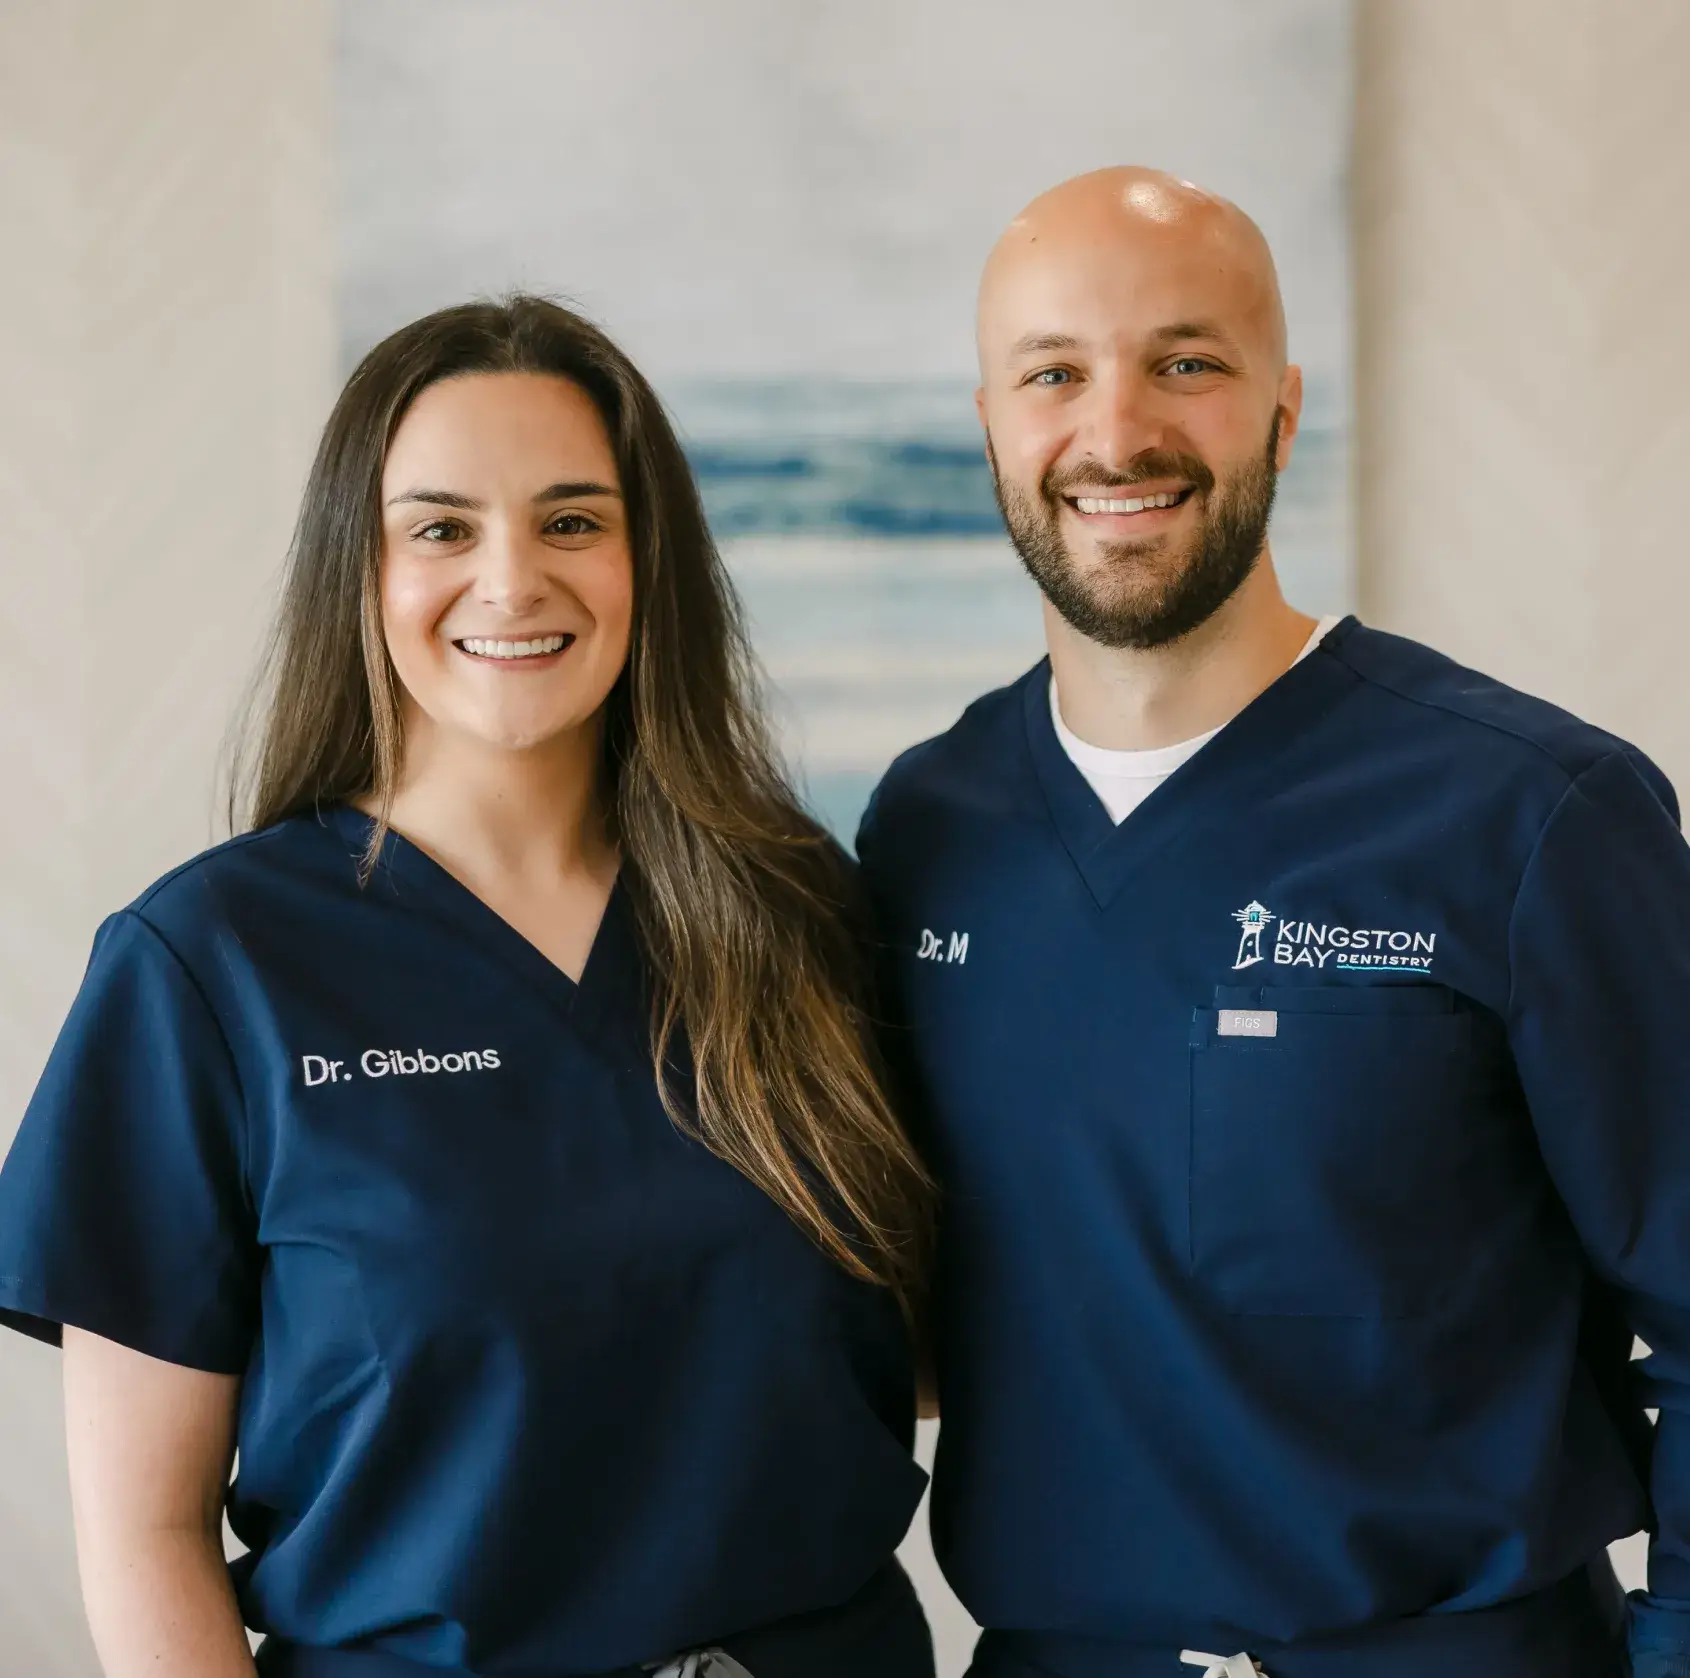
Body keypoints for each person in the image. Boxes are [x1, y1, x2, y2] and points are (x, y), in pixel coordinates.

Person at [0, 296, 936, 1678]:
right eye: (441, 528)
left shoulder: (801, 910)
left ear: (649, 558)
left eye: (572, 521)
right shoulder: (212, 963)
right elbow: (145, 1538)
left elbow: (934, 1345)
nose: (511, 581)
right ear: (360, 568)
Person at [855, 166, 1690, 1678]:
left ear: (1284, 411)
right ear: (990, 425)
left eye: (1187, 362)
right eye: (1054, 374)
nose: (1117, 432)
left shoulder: (1532, 814)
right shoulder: (928, 831)